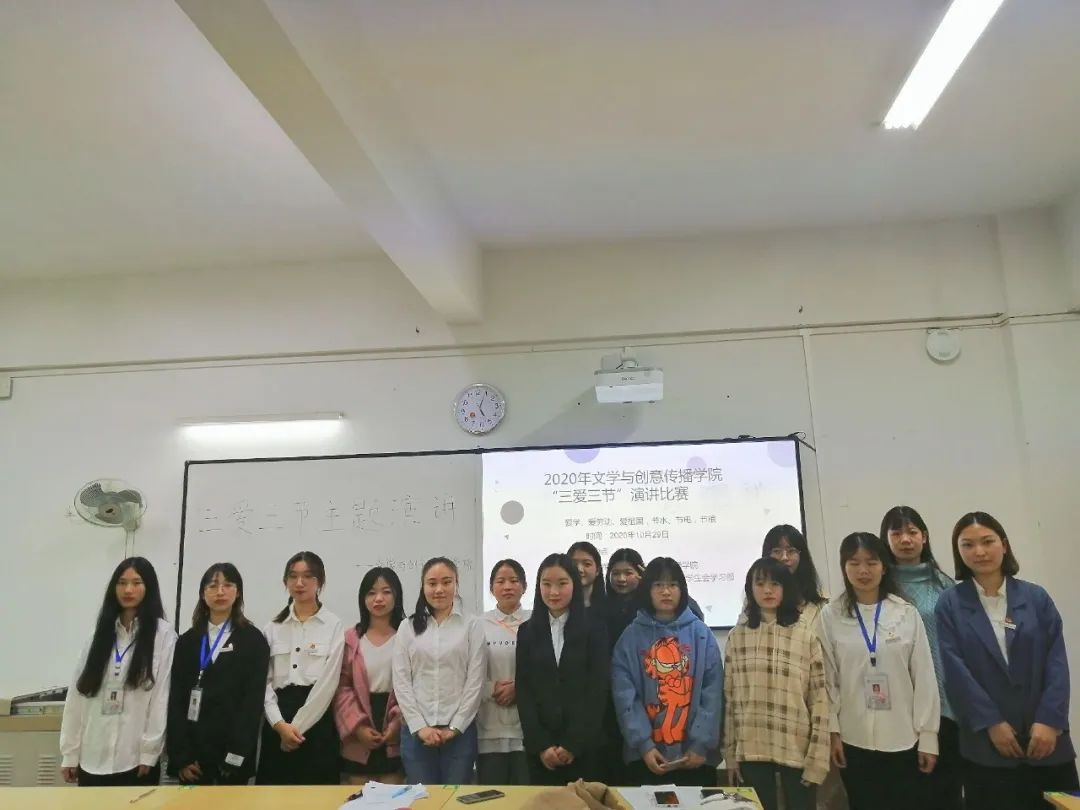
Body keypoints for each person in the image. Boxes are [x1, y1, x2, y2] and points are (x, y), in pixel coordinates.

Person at [936, 511, 1078, 810]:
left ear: (1004, 544)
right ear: (959, 552)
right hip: (987, 747)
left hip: (1047, 742)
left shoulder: (1036, 598)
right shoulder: (950, 604)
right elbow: (955, 671)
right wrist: (991, 723)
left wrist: (1049, 721)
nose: (979, 551)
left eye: (987, 541)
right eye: (968, 545)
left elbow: (1056, 663)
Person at [817, 532, 939, 810]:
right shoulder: (831, 616)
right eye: (854, 563)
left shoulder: (906, 613)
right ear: (844, 568)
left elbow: (924, 677)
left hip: (903, 736)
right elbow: (828, 680)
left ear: (884, 567)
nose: (863, 571)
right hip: (853, 737)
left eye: (871, 563)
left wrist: (928, 737)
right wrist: (833, 732)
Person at [59, 557, 176, 787]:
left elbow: (161, 697)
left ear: (149, 588)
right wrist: (70, 753)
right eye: (122, 583)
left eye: (136, 583)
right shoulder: (98, 634)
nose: (128, 590)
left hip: (134, 759)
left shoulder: (163, 635)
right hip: (92, 757)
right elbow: (77, 695)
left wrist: (149, 751)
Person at [723, 558, 829, 810]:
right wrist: (730, 755)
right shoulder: (737, 636)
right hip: (751, 747)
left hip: (796, 747)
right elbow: (730, 700)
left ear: (786, 588)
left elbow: (819, 700)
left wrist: (817, 758)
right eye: (760, 584)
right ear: (750, 589)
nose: (767, 590)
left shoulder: (805, 635)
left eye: (775, 584)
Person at [612, 557, 722, 787]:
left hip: (694, 758)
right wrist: (644, 745)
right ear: (647, 590)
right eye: (658, 585)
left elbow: (712, 694)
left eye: (672, 585)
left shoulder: (701, 634)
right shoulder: (630, 637)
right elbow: (625, 696)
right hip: (646, 758)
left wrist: (700, 745)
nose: (666, 592)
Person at [880, 505, 961, 810]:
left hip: (944, 708)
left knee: (943, 796)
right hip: (896, 710)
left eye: (912, 532)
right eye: (897, 533)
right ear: (886, 539)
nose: (905, 539)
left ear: (924, 537)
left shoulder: (945, 586)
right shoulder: (879, 587)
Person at [167, 562, 270, 785]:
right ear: (203, 593)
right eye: (213, 586)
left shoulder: (254, 640)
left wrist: (235, 757)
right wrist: (182, 757)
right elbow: (175, 700)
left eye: (228, 585)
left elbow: (252, 704)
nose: (220, 592)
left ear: (238, 592)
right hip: (193, 758)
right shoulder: (186, 642)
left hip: (233, 756)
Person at [516, 553, 609, 784]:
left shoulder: (595, 629)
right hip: (541, 752)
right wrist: (541, 745)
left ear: (575, 585)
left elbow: (597, 690)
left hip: (583, 748)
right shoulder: (527, 631)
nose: (553, 592)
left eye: (562, 583)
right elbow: (524, 691)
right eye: (546, 584)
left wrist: (572, 744)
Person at [392, 557, 485, 784]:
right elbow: (401, 681)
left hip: (460, 735)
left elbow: (475, 681)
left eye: (446, 582)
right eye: (432, 583)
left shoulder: (471, 625)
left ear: (456, 583)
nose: (439, 589)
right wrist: (420, 727)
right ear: (423, 586)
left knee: (455, 799)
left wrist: (455, 727)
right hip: (416, 735)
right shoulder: (407, 627)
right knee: (423, 799)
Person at [257, 551, 346, 785]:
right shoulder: (272, 627)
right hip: (277, 722)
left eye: (308, 576)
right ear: (285, 581)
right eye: (293, 576)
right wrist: (280, 726)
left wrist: (296, 728)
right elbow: (263, 683)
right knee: (273, 797)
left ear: (320, 582)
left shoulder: (333, 625)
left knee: (318, 797)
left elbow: (328, 684)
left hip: (316, 723)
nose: (299, 583)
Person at [334, 566, 406, 786]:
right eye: (371, 593)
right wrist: (358, 727)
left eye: (386, 592)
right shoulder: (350, 639)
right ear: (363, 598)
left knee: (393, 795)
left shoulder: (408, 635)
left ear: (397, 596)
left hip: (396, 722)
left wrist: (397, 724)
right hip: (360, 725)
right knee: (360, 795)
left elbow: (416, 685)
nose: (379, 598)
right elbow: (342, 687)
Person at [477, 559, 531, 785]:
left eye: (514, 580)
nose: (507, 586)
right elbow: (469, 674)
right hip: (489, 727)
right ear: (491, 588)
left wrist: (520, 688)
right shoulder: (478, 624)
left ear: (525, 586)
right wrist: (491, 689)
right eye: (500, 581)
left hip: (528, 728)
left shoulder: (536, 621)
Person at [761, 525, 827, 624]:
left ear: (801, 556)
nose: (784, 557)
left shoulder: (820, 606)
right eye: (777, 551)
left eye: (791, 551)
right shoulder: (756, 599)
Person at [567, 541, 606, 611]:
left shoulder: (610, 607)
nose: (579, 569)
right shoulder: (559, 605)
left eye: (587, 564)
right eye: (574, 564)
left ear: (597, 570)